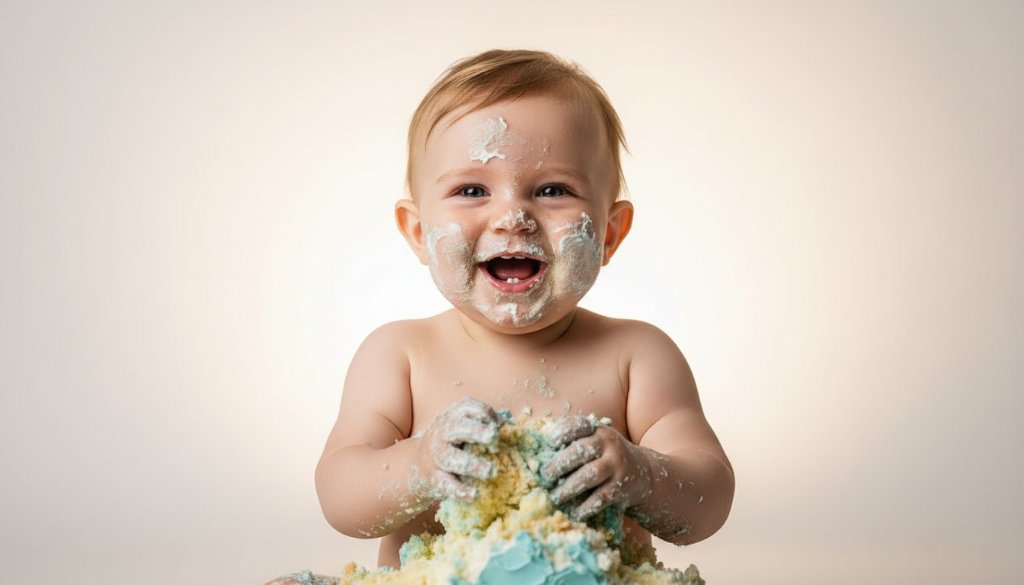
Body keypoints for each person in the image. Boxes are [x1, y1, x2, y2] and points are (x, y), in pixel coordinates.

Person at [314, 49, 734, 569]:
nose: (513, 216)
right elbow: (340, 499)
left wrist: (641, 474)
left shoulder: (637, 356)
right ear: (419, 234)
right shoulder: (400, 355)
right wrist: (420, 464)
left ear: (609, 232)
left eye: (552, 190)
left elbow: (708, 502)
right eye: (472, 190)